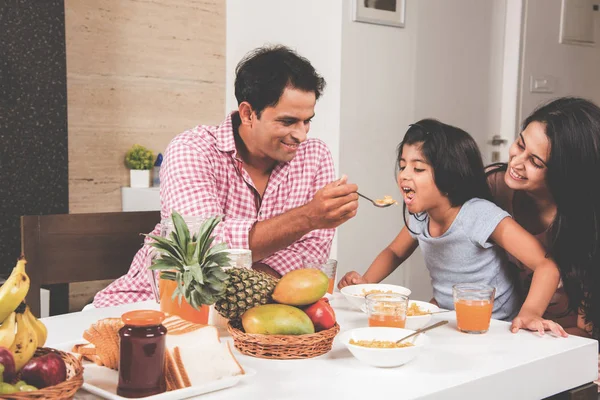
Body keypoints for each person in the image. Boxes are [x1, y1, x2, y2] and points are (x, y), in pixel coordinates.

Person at [93, 45, 359, 307]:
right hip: (158, 303)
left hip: (264, 308)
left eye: (307, 120)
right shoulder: (192, 149)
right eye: (288, 122)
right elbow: (203, 250)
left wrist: (251, 290)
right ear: (247, 113)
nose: (302, 135)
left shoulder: (315, 155)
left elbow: (312, 252)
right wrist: (308, 216)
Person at [338, 119, 566, 336]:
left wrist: (529, 314)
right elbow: (394, 252)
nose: (404, 175)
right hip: (450, 322)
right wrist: (365, 283)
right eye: (402, 166)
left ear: (449, 179)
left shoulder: (478, 215)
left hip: (495, 327)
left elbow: (546, 265)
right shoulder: (420, 217)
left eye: (418, 169)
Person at [486, 97, 600, 338]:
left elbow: (587, 331)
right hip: (504, 333)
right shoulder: (491, 188)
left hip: (560, 341)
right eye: (520, 144)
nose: (516, 163)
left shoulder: (590, 227)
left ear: (565, 175)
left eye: (534, 162)